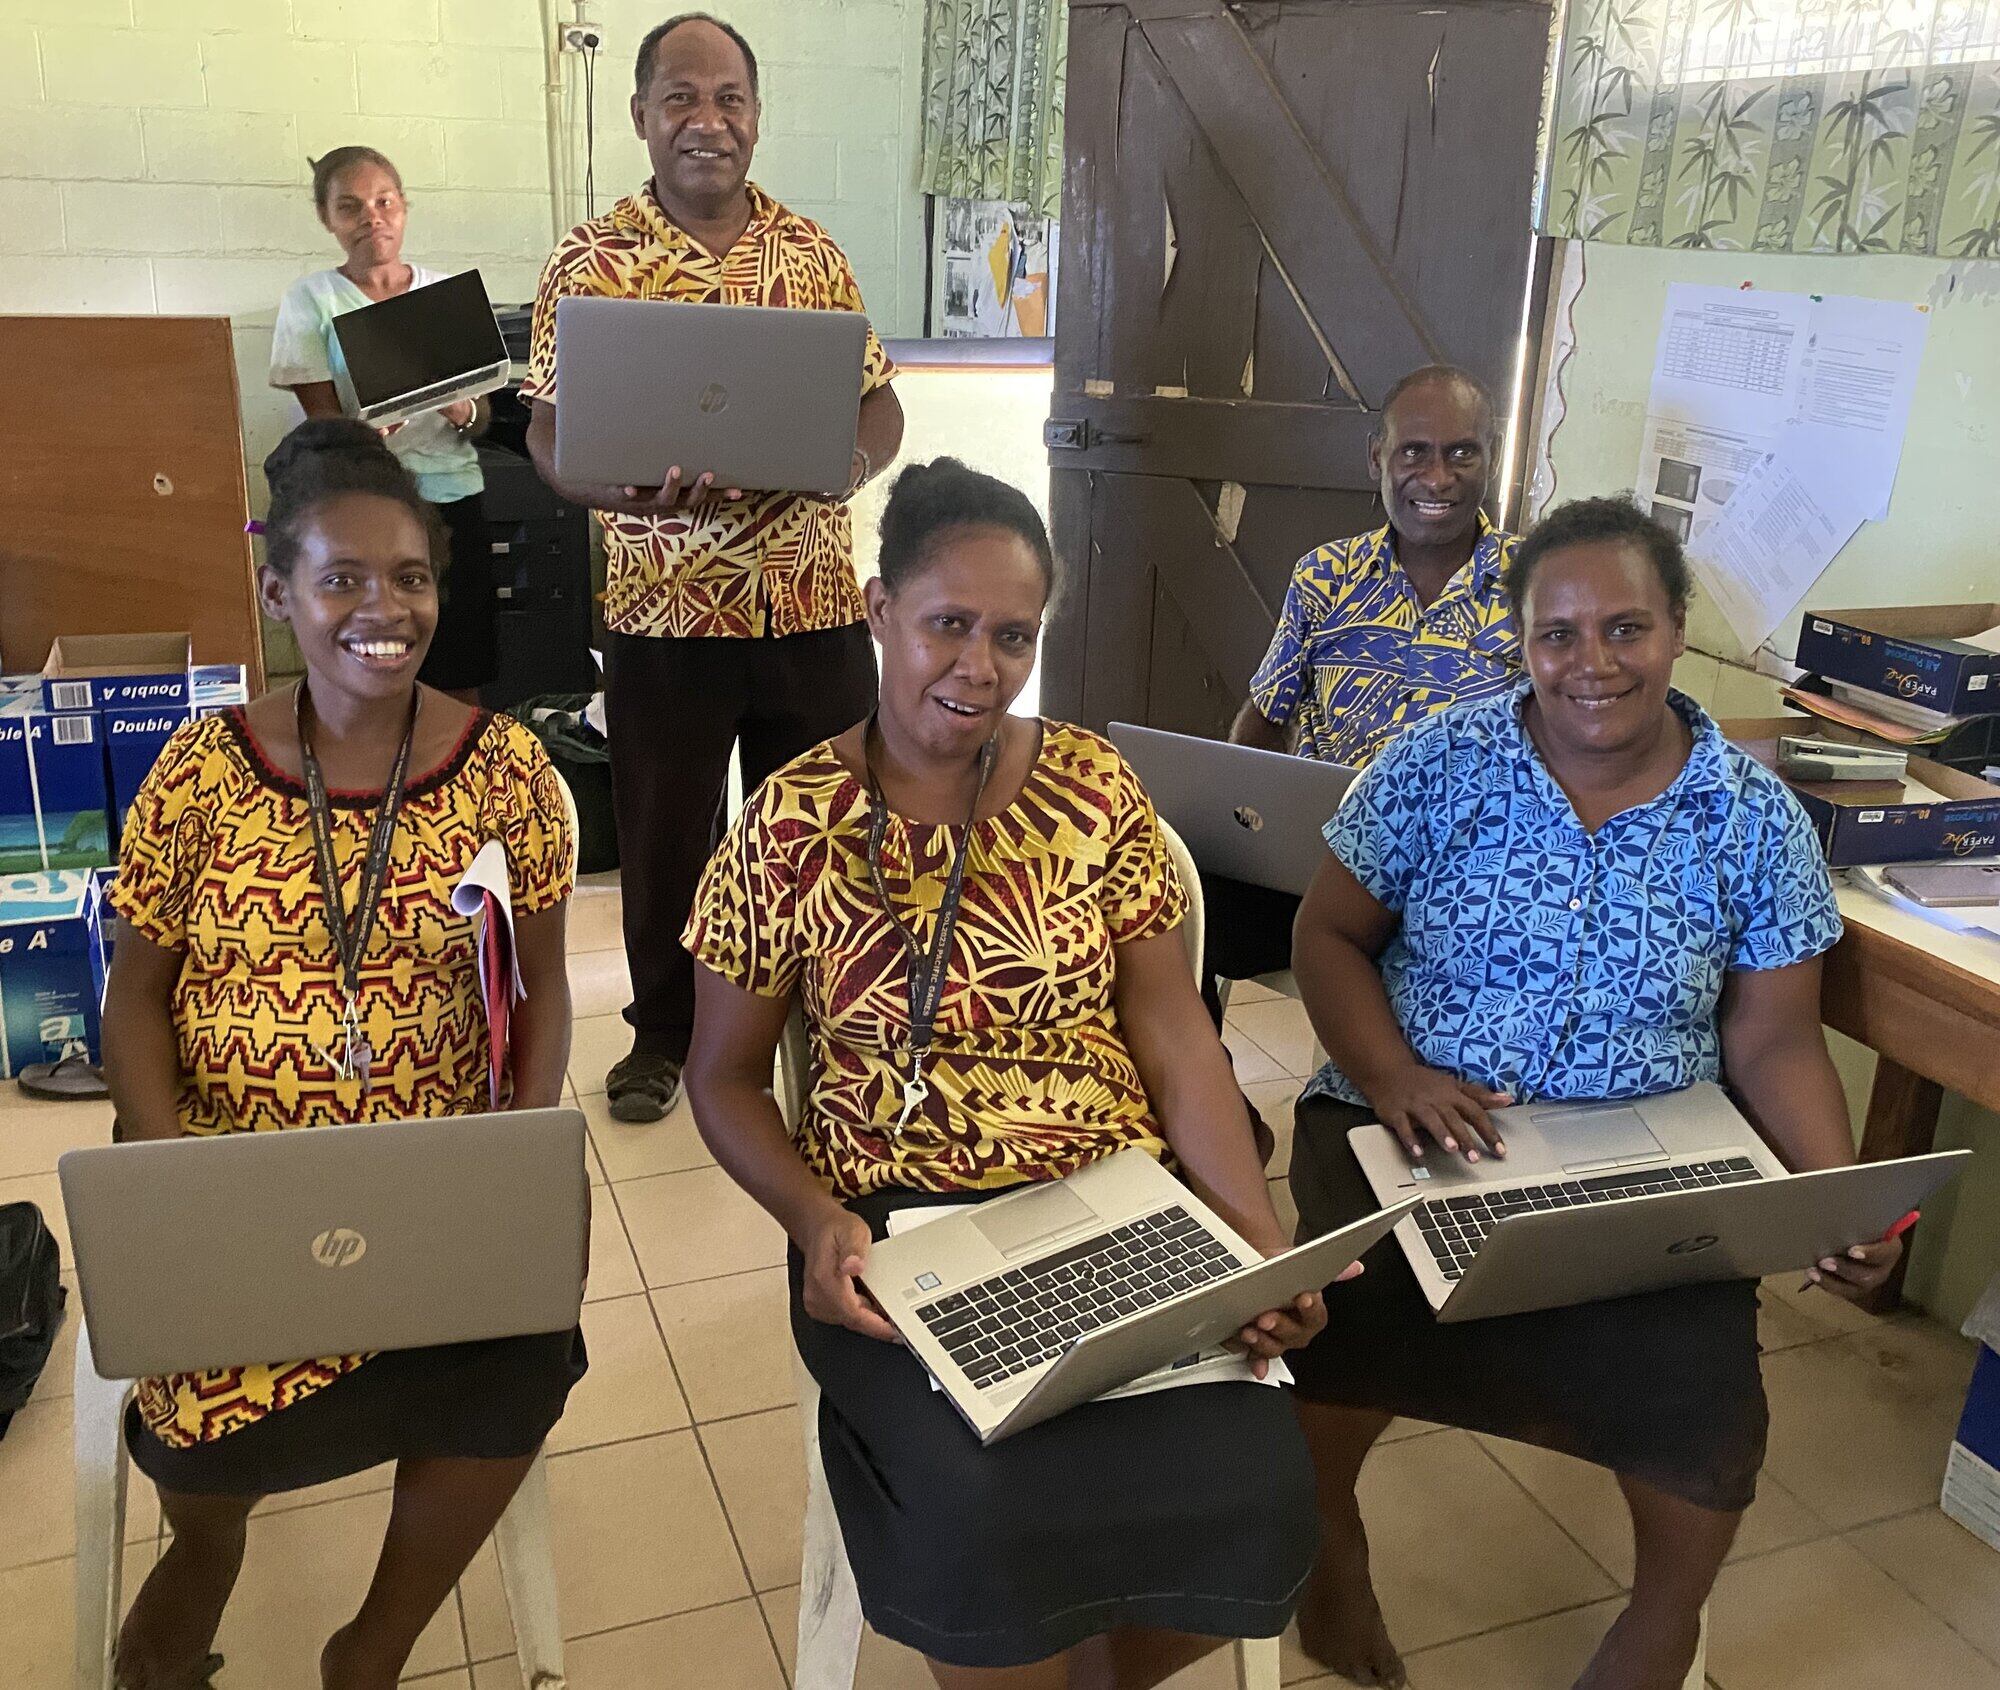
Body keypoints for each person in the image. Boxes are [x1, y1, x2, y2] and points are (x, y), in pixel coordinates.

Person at [681, 459, 1330, 1685]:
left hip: (1112, 1201)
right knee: (980, 1508)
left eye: (1012, 635)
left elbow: (1173, 1029)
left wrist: (1253, 1232)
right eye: (947, 624)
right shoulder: (787, 820)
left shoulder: (1090, 785)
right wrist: (814, 1218)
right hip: (892, 1232)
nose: (978, 666)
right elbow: (721, 1078)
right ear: (876, 611)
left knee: (1252, 1476)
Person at [1283, 495, 1903, 1690]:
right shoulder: (1435, 765)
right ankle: (1329, 1558)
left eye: (1624, 627)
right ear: (1517, 642)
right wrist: (1390, 1071)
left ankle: (1656, 1627)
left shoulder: (1750, 817)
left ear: (1675, 633)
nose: (1590, 663)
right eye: (1555, 633)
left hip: (1641, 1151)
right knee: (1335, 1338)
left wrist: (1836, 1200)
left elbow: (1773, 1043)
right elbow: (1325, 936)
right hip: (1409, 1122)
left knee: (1700, 1392)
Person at [100, 419, 583, 1690]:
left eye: (411, 578)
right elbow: (135, 999)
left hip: (432, 1191)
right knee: (196, 1438)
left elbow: (539, 994)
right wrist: (169, 1176)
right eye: (343, 580)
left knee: (528, 1360)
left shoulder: (511, 775)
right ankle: (201, 1555)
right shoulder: (200, 772)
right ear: (280, 594)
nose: (385, 608)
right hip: (232, 1188)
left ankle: (369, 1649)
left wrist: (520, 1153)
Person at [523, 12, 905, 1124]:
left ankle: (835, 1017)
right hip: (661, 610)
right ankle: (667, 1034)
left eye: (729, 97)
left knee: (829, 825)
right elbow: (547, 437)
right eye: (681, 98)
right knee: (664, 832)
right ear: (640, 116)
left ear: (755, 114)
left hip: (812, 602)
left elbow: (877, 401)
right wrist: (615, 489)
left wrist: (848, 462)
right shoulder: (588, 261)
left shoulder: (812, 252)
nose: (707, 120)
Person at [1200, 365, 1520, 1021]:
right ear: (1377, 456)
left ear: (1492, 457)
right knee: (1175, 906)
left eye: (1463, 452)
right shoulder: (1326, 576)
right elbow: (1265, 718)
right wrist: (1238, 822)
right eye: (1414, 452)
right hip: (1318, 869)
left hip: (1457, 885)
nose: (1437, 478)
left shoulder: (1538, 588)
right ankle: (1218, 1103)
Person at [270, 145, 498, 706]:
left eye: (384, 201)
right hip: (366, 506)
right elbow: (322, 430)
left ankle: (463, 774)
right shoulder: (313, 300)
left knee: (459, 656)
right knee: (376, 652)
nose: (372, 217)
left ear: (403, 207)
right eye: (350, 207)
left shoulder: (446, 293)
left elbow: (487, 417)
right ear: (327, 220)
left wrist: (464, 410)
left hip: (453, 498)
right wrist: (366, 438)